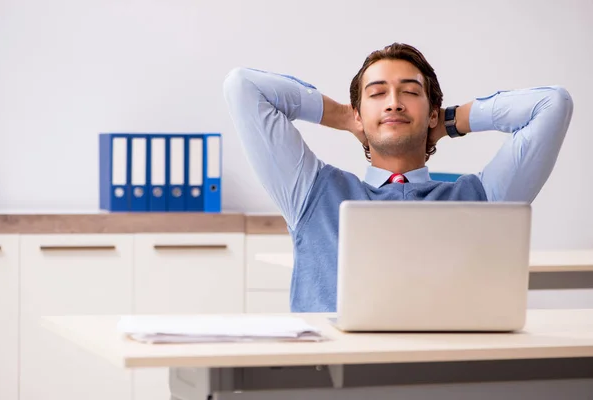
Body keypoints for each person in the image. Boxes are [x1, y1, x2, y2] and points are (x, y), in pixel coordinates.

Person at [223, 42, 573, 313]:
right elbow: (244, 86)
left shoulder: (483, 198)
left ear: (432, 112)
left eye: (409, 92)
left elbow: (552, 104)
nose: (393, 103)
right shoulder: (311, 192)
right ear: (359, 114)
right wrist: (346, 117)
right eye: (377, 94)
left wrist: (450, 122)